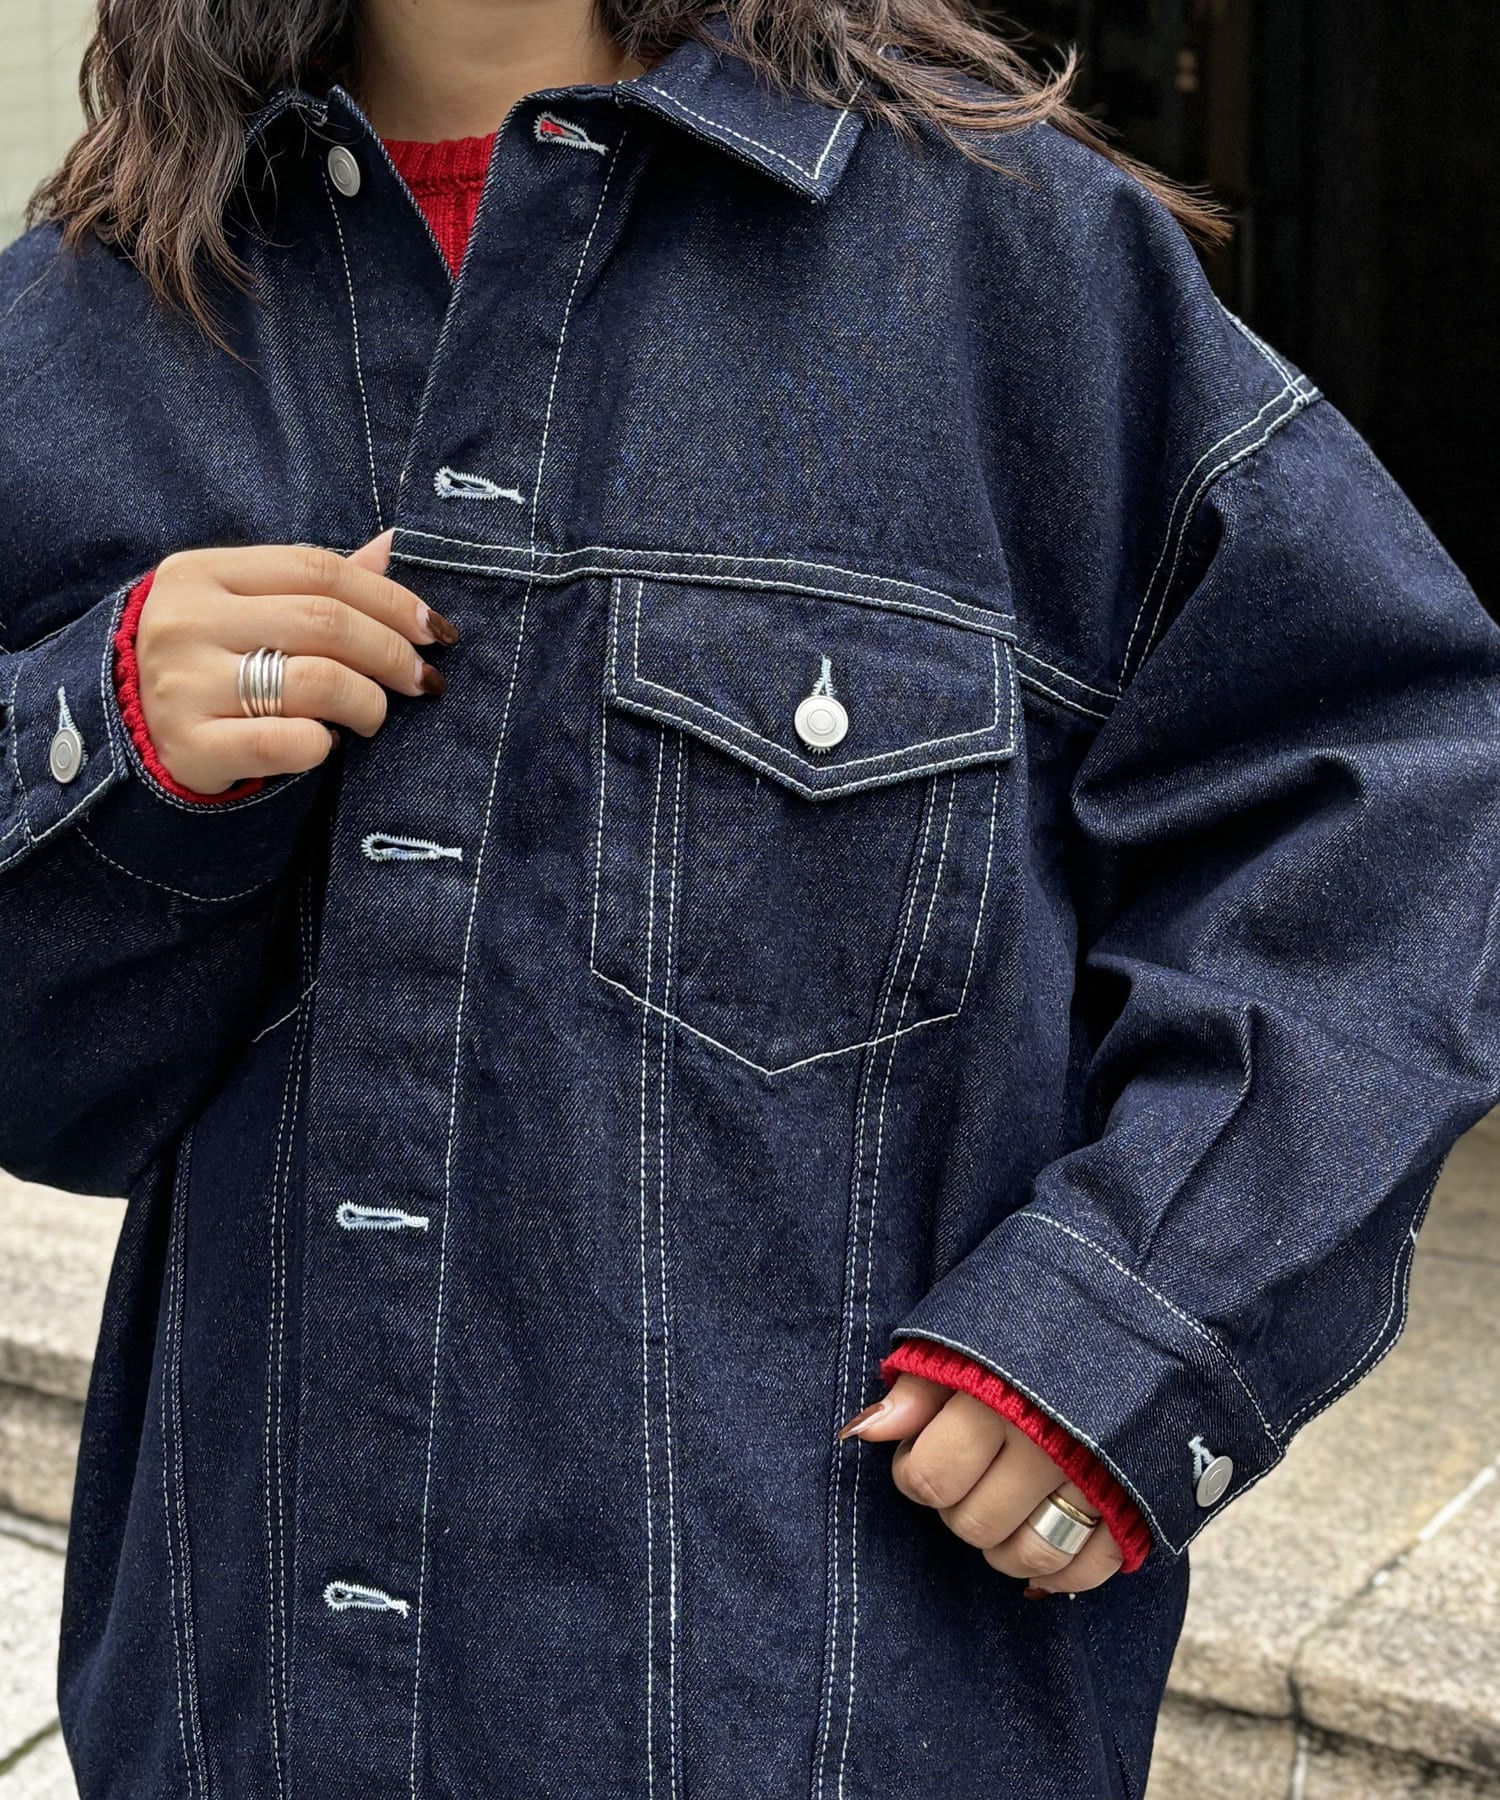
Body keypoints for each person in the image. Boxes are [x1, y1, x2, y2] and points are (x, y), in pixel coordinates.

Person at [1, 0, 1495, 1794]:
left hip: (843, 1707)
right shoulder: (99, 320)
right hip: (247, 1703)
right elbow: (53, 1089)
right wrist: (95, 727)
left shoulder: (1013, 266)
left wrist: (1135, 1320)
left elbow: (1397, 795)